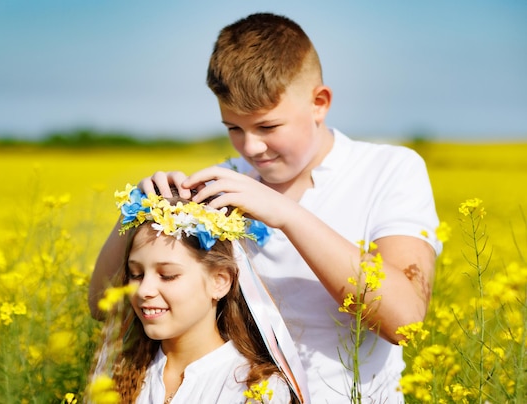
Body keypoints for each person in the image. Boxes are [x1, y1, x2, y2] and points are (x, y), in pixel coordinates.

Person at [89, 12, 442, 403]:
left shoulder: (389, 170)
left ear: (319, 103)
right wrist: (134, 214)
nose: (252, 148)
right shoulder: (220, 185)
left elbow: (406, 321)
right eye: (234, 129)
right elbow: (106, 307)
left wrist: (287, 215)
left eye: (269, 127)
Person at [89, 185, 294, 403]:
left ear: (220, 282)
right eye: (136, 274)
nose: (144, 290)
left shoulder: (255, 387)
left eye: (167, 275)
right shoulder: (118, 373)